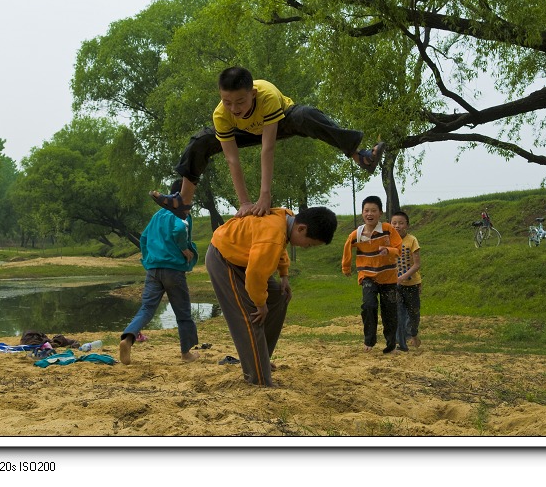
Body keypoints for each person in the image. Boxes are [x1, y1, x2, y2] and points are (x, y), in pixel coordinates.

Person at [150, 66, 385, 219]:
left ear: (252, 93)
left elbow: (268, 147)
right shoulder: (222, 114)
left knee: (307, 115)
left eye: (240, 102)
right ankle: (184, 200)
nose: (234, 108)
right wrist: (244, 202)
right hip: (242, 131)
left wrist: (264, 196)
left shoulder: (267, 96)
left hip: (281, 121)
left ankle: (360, 156)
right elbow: (232, 159)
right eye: (227, 102)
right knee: (200, 141)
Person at [205, 206, 338, 387]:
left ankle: (260, 359)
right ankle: (259, 380)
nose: (306, 247)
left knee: (279, 296)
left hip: (246, 259)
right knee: (250, 316)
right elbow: (255, 275)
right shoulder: (273, 235)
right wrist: (260, 304)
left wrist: (284, 275)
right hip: (224, 258)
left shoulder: (288, 219)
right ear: (301, 228)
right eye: (309, 244)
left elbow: (279, 246)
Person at [119, 179, 200, 365]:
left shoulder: (157, 215)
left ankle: (128, 339)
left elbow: (144, 238)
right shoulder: (181, 213)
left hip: (154, 269)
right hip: (174, 270)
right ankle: (186, 354)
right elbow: (179, 229)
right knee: (183, 314)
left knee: (146, 309)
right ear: (181, 195)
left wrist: (148, 260)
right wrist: (184, 249)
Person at [342, 196, 405, 353]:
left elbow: (398, 248)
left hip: (388, 277)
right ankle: (369, 340)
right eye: (366, 210)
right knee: (368, 306)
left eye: (373, 211)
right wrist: (346, 267)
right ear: (362, 213)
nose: (369, 214)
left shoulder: (387, 229)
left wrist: (388, 250)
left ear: (380, 213)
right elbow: (347, 247)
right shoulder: (357, 233)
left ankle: (391, 344)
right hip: (367, 276)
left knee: (389, 310)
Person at [391, 210, 423, 348]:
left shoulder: (412, 240)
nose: (397, 226)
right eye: (394, 223)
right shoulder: (389, 241)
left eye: (401, 223)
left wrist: (403, 276)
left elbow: (417, 264)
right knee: (399, 313)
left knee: (413, 314)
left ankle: (413, 333)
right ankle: (401, 343)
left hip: (412, 284)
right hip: (395, 285)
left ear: (407, 225)